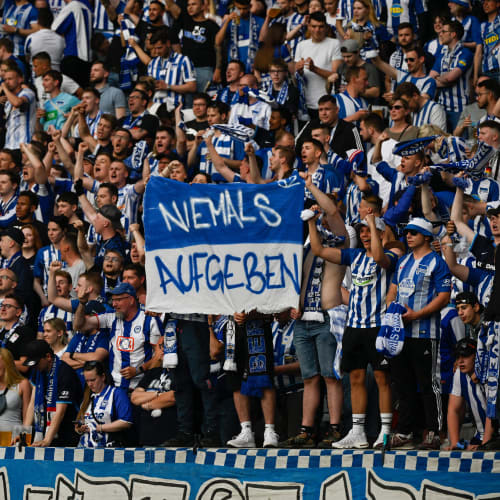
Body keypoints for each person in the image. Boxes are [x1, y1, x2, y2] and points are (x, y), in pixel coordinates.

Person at [309, 214, 399, 448]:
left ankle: (385, 431)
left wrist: (373, 224)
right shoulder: (355, 255)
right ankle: (358, 432)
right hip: (355, 326)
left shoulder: (390, 256)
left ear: (381, 234)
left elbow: (378, 257)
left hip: (378, 326)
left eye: (369, 231)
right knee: (356, 378)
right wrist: (311, 222)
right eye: (362, 231)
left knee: (382, 378)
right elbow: (319, 250)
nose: (365, 235)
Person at [386, 217, 451, 450]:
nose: (408, 236)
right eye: (407, 232)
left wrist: (417, 314)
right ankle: (405, 432)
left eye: (413, 232)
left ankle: (434, 432)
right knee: (403, 385)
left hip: (425, 332)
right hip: (401, 335)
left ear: (426, 236)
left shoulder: (437, 262)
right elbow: (392, 292)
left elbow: (444, 296)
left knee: (428, 385)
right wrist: (392, 312)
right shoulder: (403, 261)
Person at [73, 282, 163, 391]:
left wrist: (138, 370)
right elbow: (79, 325)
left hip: (141, 387)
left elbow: (159, 356)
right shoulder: (110, 317)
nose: (114, 304)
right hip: (115, 387)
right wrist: (82, 303)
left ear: (131, 300)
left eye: (118, 300)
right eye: (113, 300)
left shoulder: (149, 321)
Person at [24, 339, 83, 447]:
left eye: (36, 363)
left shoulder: (65, 372)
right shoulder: (38, 371)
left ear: (48, 357)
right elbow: (32, 403)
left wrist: (47, 440)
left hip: (66, 432)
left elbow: (60, 411)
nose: (34, 366)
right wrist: (23, 435)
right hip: (45, 431)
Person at [74, 360, 133, 447]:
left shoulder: (116, 393)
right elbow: (78, 424)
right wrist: (80, 429)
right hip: (84, 446)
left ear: (103, 377)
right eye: (87, 381)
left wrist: (100, 428)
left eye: (93, 380)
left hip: (108, 447)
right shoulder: (86, 397)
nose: (90, 384)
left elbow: (126, 422)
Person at [294, 12, 342, 117]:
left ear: (326, 27)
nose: (317, 30)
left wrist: (314, 69)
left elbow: (336, 75)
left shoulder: (334, 44)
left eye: (321, 27)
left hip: (327, 103)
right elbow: (296, 77)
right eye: (314, 26)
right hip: (306, 104)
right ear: (308, 26)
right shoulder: (301, 45)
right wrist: (298, 70)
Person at [130, 342, 178, 446]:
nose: (162, 350)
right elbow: (135, 397)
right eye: (161, 346)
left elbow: (173, 397)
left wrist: (148, 404)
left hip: (169, 439)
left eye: (167, 346)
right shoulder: (153, 372)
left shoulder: (182, 373)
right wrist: (158, 394)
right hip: (147, 437)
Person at [447, 338, 487, 450]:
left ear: (477, 356)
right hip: (480, 436)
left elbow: (492, 410)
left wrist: (486, 443)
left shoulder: (489, 373)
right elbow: (453, 409)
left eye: (465, 356)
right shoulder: (459, 373)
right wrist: (454, 442)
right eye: (458, 357)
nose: (460, 361)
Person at [1, 66, 36, 150]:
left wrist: (4, 88)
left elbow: (17, 103)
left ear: (20, 79)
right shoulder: (8, 100)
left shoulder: (28, 92)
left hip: (24, 143)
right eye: (5, 80)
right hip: (9, 145)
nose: (7, 82)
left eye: (10, 79)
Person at [0, 347, 31, 429]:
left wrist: (24, 435)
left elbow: (27, 418)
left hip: (13, 435)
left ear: (7, 364)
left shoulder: (22, 384)